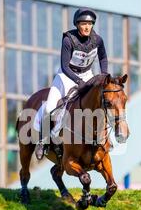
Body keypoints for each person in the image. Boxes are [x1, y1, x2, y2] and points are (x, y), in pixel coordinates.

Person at [34, 8, 108, 160]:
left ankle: (105, 139)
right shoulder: (68, 40)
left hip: (87, 74)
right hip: (66, 75)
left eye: (89, 23)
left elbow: (103, 59)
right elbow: (65, 66)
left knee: (99, 104)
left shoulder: (98, 40)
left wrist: (104, 75)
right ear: (77, 24)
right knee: (49, 108)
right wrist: (78, 81)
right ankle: (43, 141)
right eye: (83, 24)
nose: (87, 27)